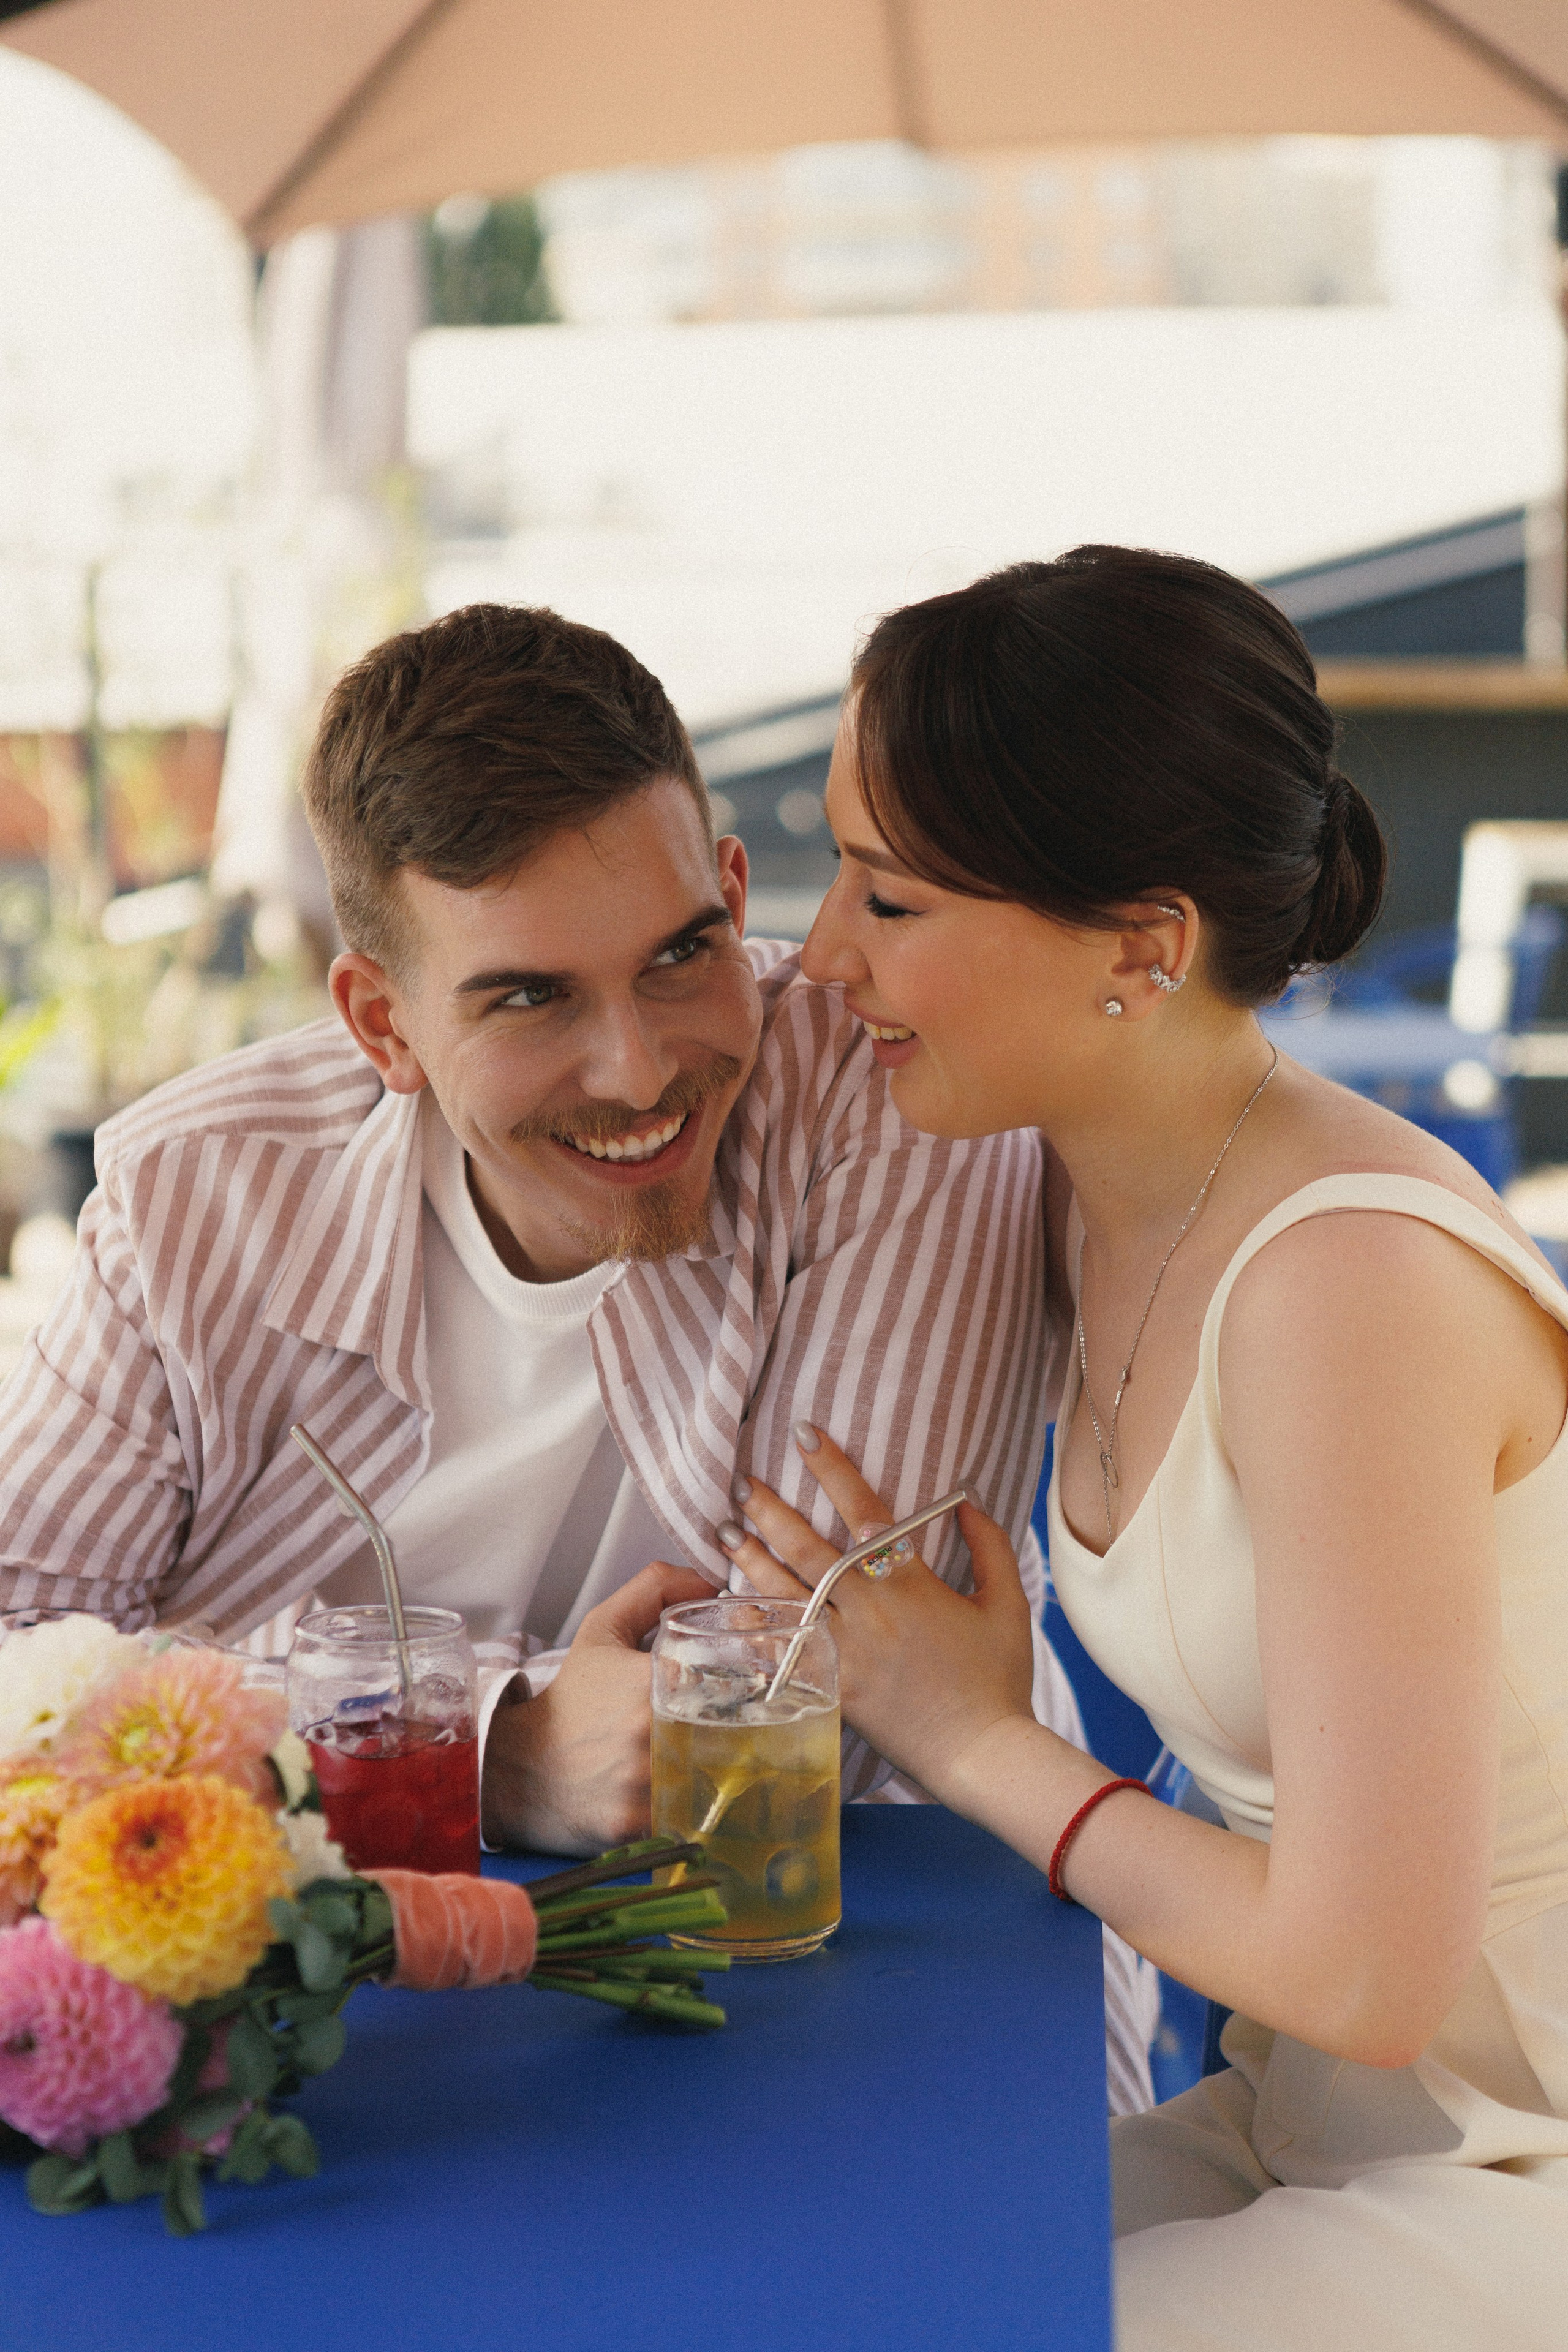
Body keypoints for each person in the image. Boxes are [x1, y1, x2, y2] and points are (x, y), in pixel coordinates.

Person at [0, 600, 1155, 2101]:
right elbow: (26, 1693)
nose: (640, 1067)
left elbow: (845, 1723)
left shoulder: (890, 1099)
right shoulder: (192, 1201)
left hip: (859, 1976)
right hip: (352, 2027)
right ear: (381, 1023)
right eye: (528, 996)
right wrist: (496, 1744)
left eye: (681, 954)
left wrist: (254, 1712)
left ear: (733, 890)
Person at [725, 546, 1568, 2350]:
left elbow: (1367, 1968)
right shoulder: (1077, 1187)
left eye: (889, 899)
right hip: (1313, 2122)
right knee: (801, 2280)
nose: (821, 960)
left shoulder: (1347, 1286)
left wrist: (972, 1740)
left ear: (1145, 945)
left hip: (1517, 2158)